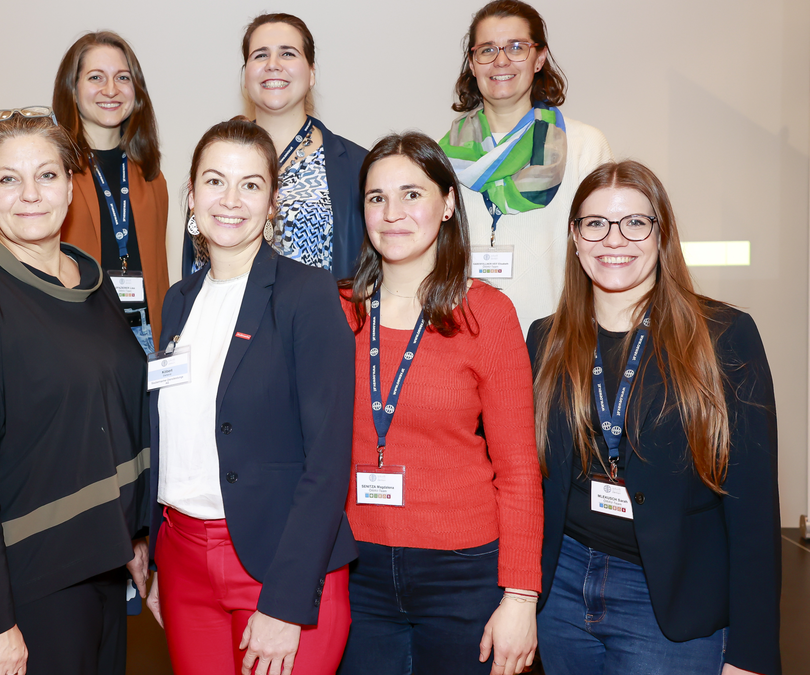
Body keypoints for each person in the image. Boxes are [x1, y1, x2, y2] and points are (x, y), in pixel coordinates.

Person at [0, 111, 150, 675]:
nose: (30, 195)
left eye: (46, 175)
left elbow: (118, 419)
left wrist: (137, 536)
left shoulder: (91, 286)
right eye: (8, 179)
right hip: (30, 585)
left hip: (102, 566)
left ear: (71, 187)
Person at [528, 160, 781, 675]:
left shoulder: (722, 336)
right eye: (594, 223)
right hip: (562, 591)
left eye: (635, 222)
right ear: (576, 240)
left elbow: (753, 508)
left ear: (660, 233)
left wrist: (752, 654)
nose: (612, 239)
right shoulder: (545, 339)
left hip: (666, 599)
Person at [147, 119, 357, 675]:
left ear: (272, 203)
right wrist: (155, 566)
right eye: (215, 182)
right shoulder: (178, 300)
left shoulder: (306, 293)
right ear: (190, 196)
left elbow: (329, 460)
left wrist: (287, 602)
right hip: (183, 560)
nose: (231, 200)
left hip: (281, 564)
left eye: (251, 184)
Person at [336, 131, 542, 675]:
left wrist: (520, 597)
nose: (392, 212)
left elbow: (519, 470)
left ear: (448, 203)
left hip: (463, 573)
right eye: (376, 197)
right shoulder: (337, 312)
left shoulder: (487, 314)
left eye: (412, 194)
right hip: (355, 569)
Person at [440, 0, 613, 332]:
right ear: (473, 64)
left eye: (517, 47)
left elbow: (606, 251)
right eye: (486, 50)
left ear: (540, 58)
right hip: (463, 344)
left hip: (558, 343)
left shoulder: (584, 146)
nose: (501, 60)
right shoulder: (443, 157)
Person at [182, 13, 367, 280]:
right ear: (246, 76)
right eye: (260, 55)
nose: (273, 65)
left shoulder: (356, 166)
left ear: (312, 72)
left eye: (288, 54)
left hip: (319, 319)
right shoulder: (216, 158)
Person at [53, 31, 170, 351]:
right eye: (95, 77)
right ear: (72, 90)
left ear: (137, 91)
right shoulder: (51, 174)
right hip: (80, 340)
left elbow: (159, 275)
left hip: (147, 338)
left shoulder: (151, 176)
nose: (111, 90)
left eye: (122, 77)